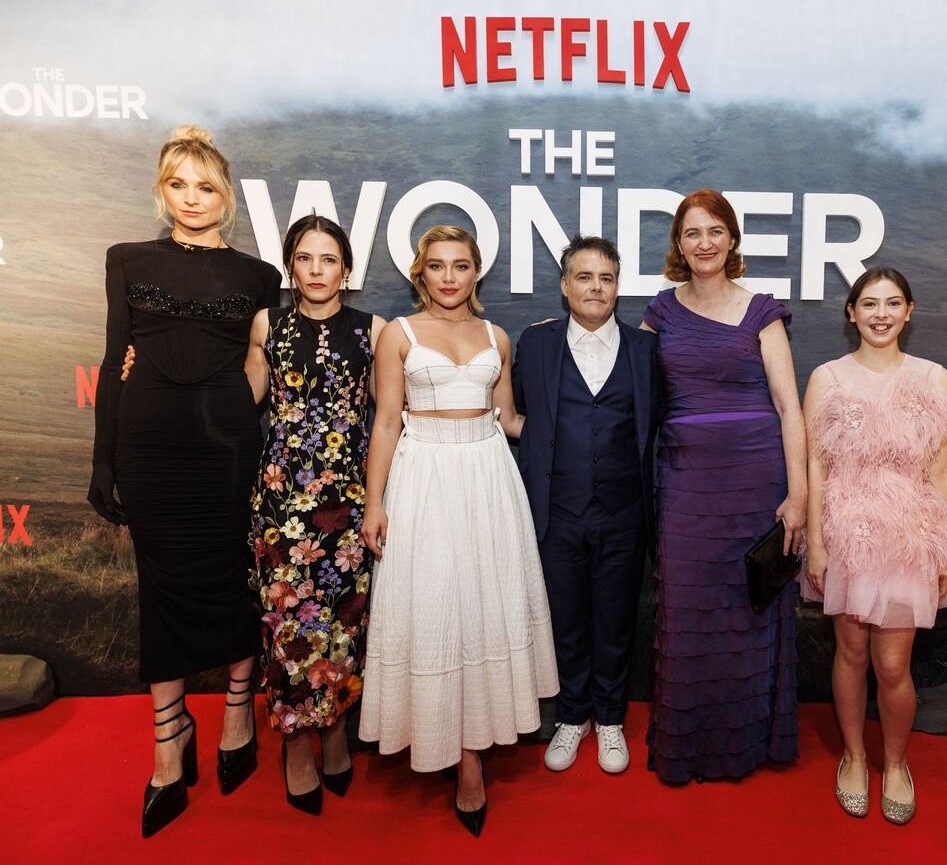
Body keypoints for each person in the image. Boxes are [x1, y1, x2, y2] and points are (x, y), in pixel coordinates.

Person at [88, 125, 280, 837]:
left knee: (232, 581)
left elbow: (266, 372)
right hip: (149, 448)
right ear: (160, 189)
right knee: (161, 590)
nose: (192, 200)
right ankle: (169, 744)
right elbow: (114, 362)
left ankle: (236, 716)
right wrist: (102, 461)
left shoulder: (260, 277)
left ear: (225, 196)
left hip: (229, 447)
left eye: (206, 187)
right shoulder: (128, 259)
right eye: (178, 185)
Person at [358, 225, 558, 837]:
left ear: (477, 273)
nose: (450, 277)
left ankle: (472, 758)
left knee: (483, 609)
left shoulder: (497, 336)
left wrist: (577, 424)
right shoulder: (399, 333)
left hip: (489, 479)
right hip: (423, 478)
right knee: (436, 609)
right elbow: (387, 420)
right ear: (421, 272)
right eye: (438, 266)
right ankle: (444, 741)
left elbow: (510, 419)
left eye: (462, 265)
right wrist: (373, 503)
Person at [640, 189, 807, 784]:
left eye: (715, 231)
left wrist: (799, 494)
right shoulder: (659, 312)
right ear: (678, 245)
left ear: (732, 239)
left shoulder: (761, 310)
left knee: (748, 609)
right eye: (691, 233)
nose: (704, 242)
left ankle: (750, 743)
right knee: (688, 610)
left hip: (756, 480)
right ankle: (691, 747)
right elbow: (631, 386)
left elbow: (790, 408)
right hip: (685, 483)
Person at [800, 266, 947, 824]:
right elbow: (817, 468)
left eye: (893, 303)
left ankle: (894, 765)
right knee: (851, 653)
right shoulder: (827, 377)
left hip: (910, 537)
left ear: (910, 311)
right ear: (851, 313)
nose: (881, 314)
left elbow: (939, 471)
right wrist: (816, 543)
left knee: (893, 665)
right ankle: (852, 755)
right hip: (848, 534)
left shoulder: (934, 377)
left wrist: (941, 548)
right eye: (869, 303)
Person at [246, 213, 385, 815]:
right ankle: (297, 745)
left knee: (343, 625)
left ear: (347, 269)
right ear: (290, 265)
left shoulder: (373, 331)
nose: (317, 270)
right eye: (305, 258)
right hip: (282, 502)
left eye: (329, 259)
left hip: (349, 503)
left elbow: (392, 415)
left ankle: (334, 733)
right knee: (287, 628)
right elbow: (240, 402)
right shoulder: (267, 325)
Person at [512, 234, 660, 774]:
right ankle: (573, 716)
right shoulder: (536, 344)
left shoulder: (646, 351)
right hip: (558, 510)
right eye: (584, 277)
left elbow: (655, 428)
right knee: (566, 619)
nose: (595, 287)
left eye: (606, 278)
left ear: (618, 287)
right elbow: (522, 416)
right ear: (564, 285)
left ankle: (611, 719)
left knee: (617, 619)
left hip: (624, 513)